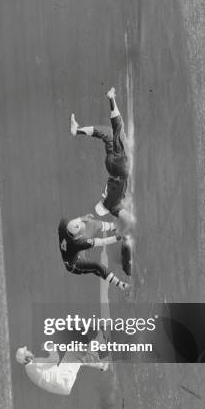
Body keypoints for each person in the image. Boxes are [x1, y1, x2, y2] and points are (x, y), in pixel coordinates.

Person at [69, 87, 134, 275]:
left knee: (115, 131)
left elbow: (129, 219)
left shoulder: (113, 206)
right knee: (110, 133)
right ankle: (110, 98)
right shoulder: (108, 200)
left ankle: (110, 100)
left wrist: (124, 235)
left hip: (119, 167)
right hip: (112, 165)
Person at [58, 214, 129, 291]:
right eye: (82, 230)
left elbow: (70, 223)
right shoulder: (79, 244)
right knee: (97, 267)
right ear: (77, 236)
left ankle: (115, 227)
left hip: (70, 252)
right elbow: (101, 242)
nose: (83, 226)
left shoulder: (64, 226)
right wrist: (119, 237)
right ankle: (121, 285)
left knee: (94, 224)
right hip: (74, 266)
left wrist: (82, 218)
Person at [15, 344, 108, 396]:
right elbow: (55, 359)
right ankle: (103, 363)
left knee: (75, 358)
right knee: (74, 353)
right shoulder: (34, 366)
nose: (29, 351)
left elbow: (51, 362)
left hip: (61, 382)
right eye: (27, 352)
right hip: (63, 380)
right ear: (26, 358)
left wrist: (51, 350)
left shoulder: (32, 366)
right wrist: (51, 348)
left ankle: (101, 363)